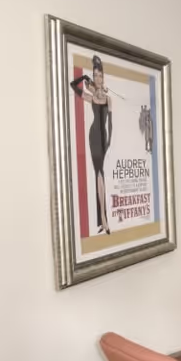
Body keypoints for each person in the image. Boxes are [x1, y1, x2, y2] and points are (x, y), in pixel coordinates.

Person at [70, 55, 113, 234]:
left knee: (100, 174)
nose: (97, 78)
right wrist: (84, 79)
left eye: (99, 75)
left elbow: (110, 122)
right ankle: (103, 218)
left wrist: (109, 140)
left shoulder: (108, 99)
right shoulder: (91, 97)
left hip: (103, 138)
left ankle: (103, 219)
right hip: (93, 136)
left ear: (103, 77)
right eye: (94, 75)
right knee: (99, 173)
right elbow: (73, 86)